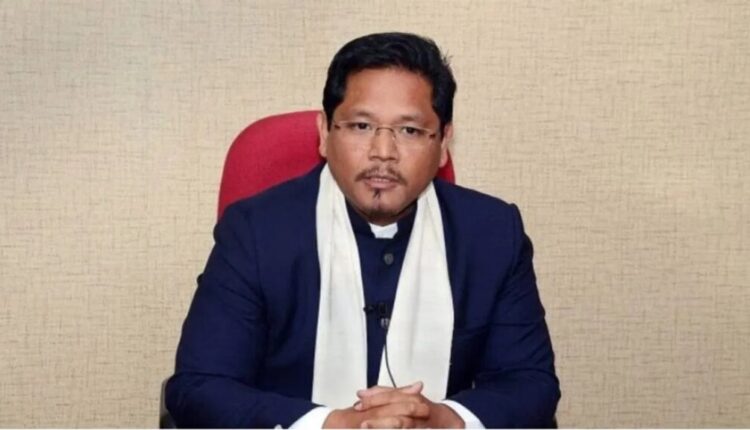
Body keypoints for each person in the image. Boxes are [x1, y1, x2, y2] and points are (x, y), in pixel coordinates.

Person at [166, 32, 560, 428]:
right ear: (324, 134)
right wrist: (332, 425)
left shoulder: (492, 234)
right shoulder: (255, 233)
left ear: (443, 143)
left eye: (409, 131)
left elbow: (529, 384)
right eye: (360, 125)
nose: (383, 152)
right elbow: (200, 387)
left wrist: (444, 420)